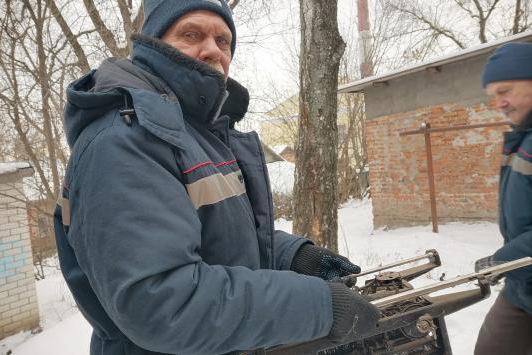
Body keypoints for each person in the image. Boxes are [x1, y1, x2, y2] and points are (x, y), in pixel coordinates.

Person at [53, 1, 380, 354]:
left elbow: (220, 238)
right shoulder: (122, 140)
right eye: (191, 34)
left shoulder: (199, 134)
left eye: (223, 40)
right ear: (153, 42)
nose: (212, 50)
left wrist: (293, 256)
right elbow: (165, 303)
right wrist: (320, 307)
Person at [474, 42, 532, 355]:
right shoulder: (523, 135)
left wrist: (505, 260)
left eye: (505, 90)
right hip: (524, 285)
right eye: (492, 96)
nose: (499, 103)